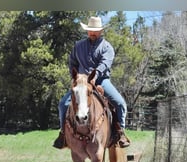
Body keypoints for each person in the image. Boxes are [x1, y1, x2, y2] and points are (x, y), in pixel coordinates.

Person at [53, 16, 130, 149]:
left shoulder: (107, 47)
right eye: (90, 30)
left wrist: (95, 76)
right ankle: (63, 134)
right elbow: (72, 62)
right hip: (82, 82)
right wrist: (76, 77)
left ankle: (120, 132)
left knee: (120, 103)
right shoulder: (78, 46)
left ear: (101, 31)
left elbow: (104, 64)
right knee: (62, 104)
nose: (92, 33)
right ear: (87, 31)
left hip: (101, 80)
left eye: (95, 30)